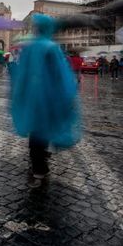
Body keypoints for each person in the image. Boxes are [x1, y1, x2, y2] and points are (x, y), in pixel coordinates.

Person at [11, 14, 82, 188]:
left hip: (35, 100)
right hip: (50, 100)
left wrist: (19, 96)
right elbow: (62, 76)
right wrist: (68, 97)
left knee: (36, 135)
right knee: (44, 132)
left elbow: (21, 76)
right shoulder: (52, 48)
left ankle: (39, 170)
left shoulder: (31, 48)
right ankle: (40, 167)